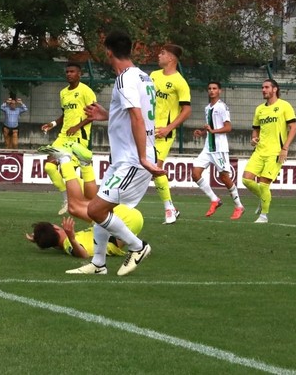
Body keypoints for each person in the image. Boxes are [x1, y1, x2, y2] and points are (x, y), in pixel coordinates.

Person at [63, 29, 164, 276]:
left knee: (95, 210)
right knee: (101, 210)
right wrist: (106, 115)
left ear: (109, 52)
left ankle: (137, 247)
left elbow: (138, 118)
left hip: (132, 160)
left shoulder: (124, 79)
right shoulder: (145, 78)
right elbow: (133, 116)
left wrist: (142, 158)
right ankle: (98, 264)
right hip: (125, 160)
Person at [40, 62, 97, 214]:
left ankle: (90, 199)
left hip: (79, 137)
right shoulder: (63, 93)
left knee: (68, 171)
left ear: (80, 74)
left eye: (72, 71)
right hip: (63, 136)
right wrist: (52, 124)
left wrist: (77, 127)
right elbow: (65, 114)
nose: (69, 74)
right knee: (49, 166)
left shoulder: (86, 91)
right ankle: (67, 198)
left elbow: (94, 114)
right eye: (67, 72)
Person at [242, 79, 296, 224]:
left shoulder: (284, 106)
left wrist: (285, 148)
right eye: (262, 87)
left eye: (266, 87)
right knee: (246, 179)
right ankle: (263, 198)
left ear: (275, 89)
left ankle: (264, 216)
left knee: (264, 184)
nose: (263, 90)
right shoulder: (259, 109)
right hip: (259, 151)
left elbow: (294, 127)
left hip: (275, 152)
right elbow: (256, 130)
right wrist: (254, 139)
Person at [191, 81, 245, 220]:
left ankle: (239, 206)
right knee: (195, 174)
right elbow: (212, 127)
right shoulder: (207, 107)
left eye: (214, 88)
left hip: (219, 148)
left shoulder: (222, 107)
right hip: (208, 148)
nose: (211, 91)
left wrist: (213, 131)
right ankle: (214, 199)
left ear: (219, 91)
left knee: (224, 177)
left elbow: (228, 127)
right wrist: (203, 132)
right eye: (209, 88)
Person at [151, 43, 191, 224]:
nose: (159, 55)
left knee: (156, 169)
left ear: (171, 58)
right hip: (147, 130)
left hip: (163, 133)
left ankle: (169, 209)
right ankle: (171, 207)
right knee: (145, 169)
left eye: (163, 53)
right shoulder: (153, 76)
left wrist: (169, 127)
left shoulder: (179, 82)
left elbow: (186, 110)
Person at [26, 205, 144, 258]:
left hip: (127, 223)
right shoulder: (68, 243)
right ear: (56, 228)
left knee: (95, 217)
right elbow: (83, 255)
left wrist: (39, 239)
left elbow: (56, 245)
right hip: (127, 220)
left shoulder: (63, 245)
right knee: (79, 209)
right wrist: (71, 237)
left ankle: (137, 245)